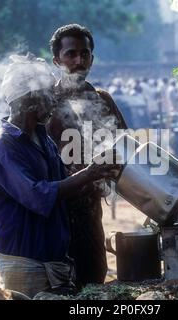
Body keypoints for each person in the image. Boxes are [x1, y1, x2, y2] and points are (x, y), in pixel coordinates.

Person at [0, 54, 120, 298]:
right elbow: (38, 195)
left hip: (54, 259)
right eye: (48, 95)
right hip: (24, 262)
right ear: (29, 100)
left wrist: (94, 178)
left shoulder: (43, 139)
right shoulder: (4, 146)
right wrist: (88, 174)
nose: (54, 102)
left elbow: (61, 187)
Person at [47, 24, 127, 288]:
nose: (79, 61)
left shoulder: (103, 100)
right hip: (52, 214)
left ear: (92, 57)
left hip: (90, 212)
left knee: (93, 280)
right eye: (71, 54)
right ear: (57, 59)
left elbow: (126, 150)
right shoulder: (43, 103)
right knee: (58, 286)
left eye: (85, 53)